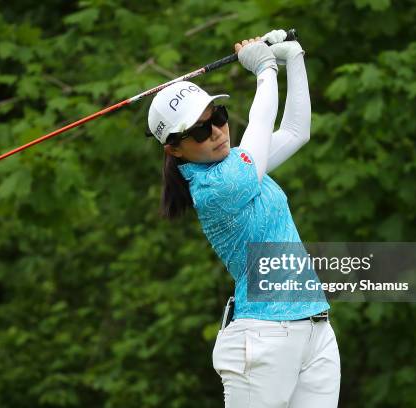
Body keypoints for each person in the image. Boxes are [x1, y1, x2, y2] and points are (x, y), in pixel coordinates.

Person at [146, 30, 341, 407]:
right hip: (263, 338)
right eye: (201, 130)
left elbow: (296, 132)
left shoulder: (238, 163)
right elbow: (260, 125)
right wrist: (266, 69)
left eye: (217, 116)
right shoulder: (216, 186)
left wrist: (294, 59)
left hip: (314, 327)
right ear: (175, 149)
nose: (217, 131)